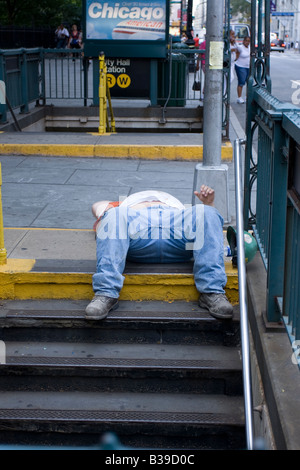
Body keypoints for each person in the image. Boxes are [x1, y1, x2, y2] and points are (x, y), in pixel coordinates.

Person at [85, 185, 233, 322]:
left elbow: (206, 226)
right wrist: (111, 211)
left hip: (176, 230)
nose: (153, 196)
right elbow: (97, 206)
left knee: (208, 212)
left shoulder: (178, 207)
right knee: (114, 214)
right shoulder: (123, 208)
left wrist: (209, 204)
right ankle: (106, 293)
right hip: (139, 232)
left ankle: (212, 293)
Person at [235, 36, 250, 104]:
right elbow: (235, 47)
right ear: (243, 41)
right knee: (241, 82)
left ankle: (247, 97)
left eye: (248, 41)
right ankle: (239, 97)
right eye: (246, 40)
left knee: (249, 82)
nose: (247, 42)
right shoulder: (240, 47)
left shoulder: (250, 47)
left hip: (248, 67)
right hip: (240, 66)